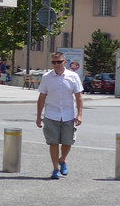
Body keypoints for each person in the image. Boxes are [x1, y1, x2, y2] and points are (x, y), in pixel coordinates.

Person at [36, 50, 84, 180]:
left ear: (65, 62)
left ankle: (62, 160)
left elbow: (79, 97)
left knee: (68, 142)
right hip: (51, 114)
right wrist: (38, 116)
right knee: (53, 142)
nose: (56, 64)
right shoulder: (47, 77)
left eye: (59, 62)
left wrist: (79, 114)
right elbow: (41, 97)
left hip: (68, 114)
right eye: (54, 62)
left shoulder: (73, 76)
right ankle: (55, 169)